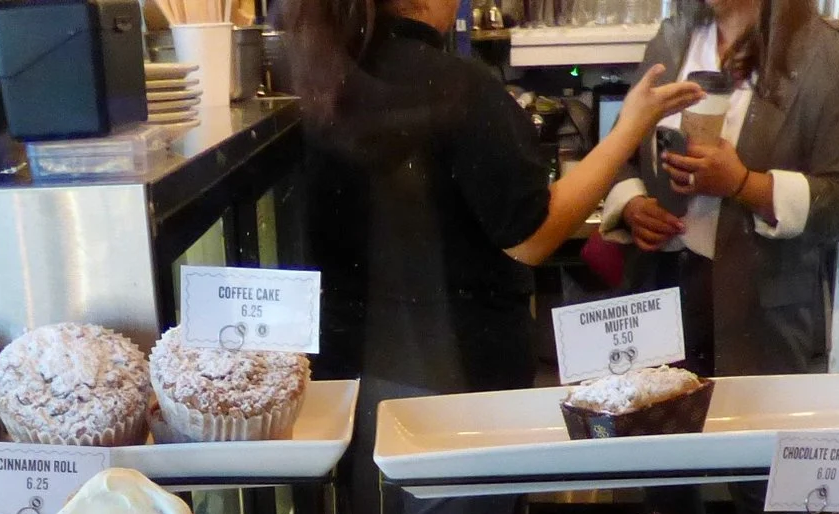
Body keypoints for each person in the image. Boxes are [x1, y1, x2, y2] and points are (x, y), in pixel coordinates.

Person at [288, 0, 702, 396]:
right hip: (457, 373)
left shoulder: (327, 77)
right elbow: (532, 235)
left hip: (350, 366)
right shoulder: (459, 87)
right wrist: (630, 126)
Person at [598, 0, 839, 376]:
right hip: (658, 295)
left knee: (746, 434)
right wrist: (632, 206)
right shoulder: (673, 39)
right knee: (659, 430)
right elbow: (621, 149)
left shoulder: (832, 62)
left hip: (760, 323)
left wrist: (743, 184)